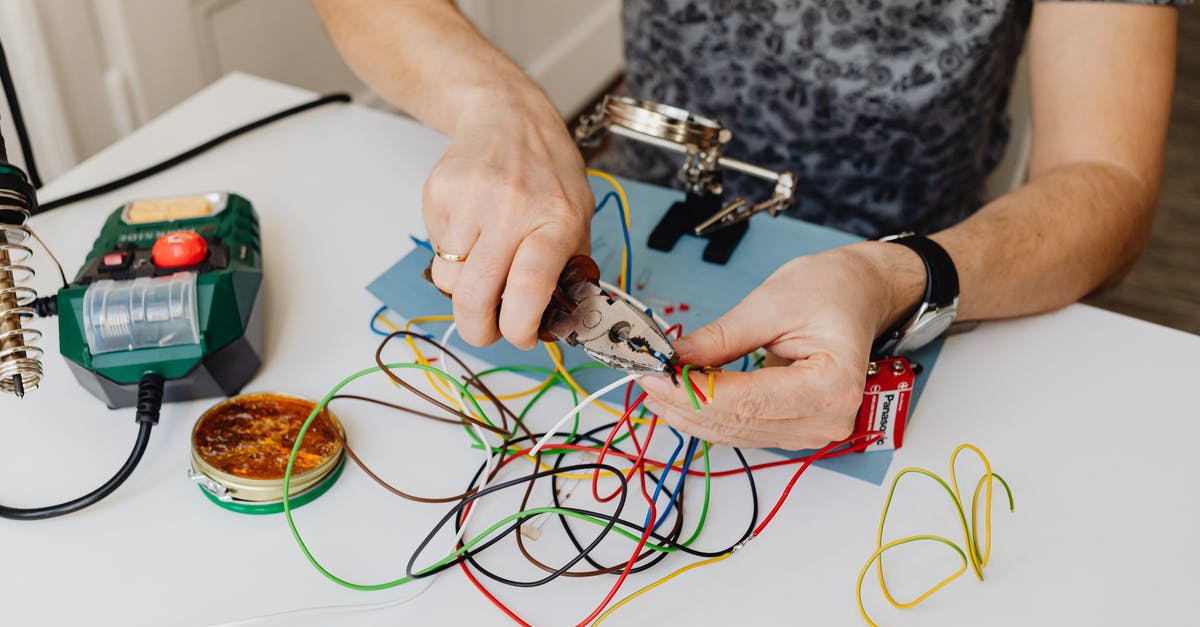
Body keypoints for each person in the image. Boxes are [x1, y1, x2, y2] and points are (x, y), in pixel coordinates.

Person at [315, 0, 1179, 449]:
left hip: (933, 271)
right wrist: (499, 109)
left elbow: (1108, 180)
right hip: (642, 225)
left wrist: (891, 276)